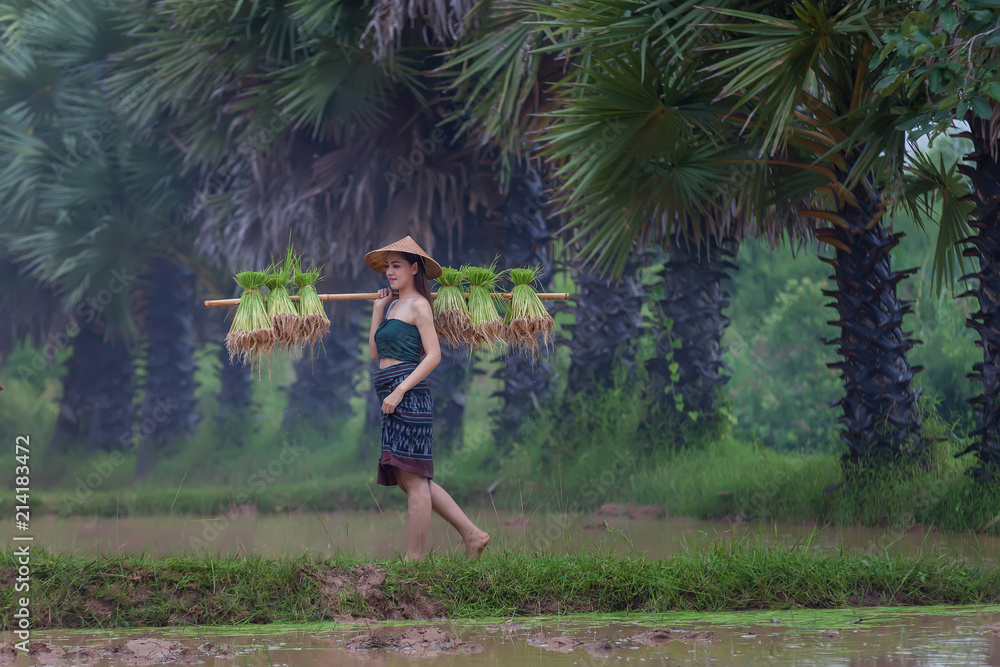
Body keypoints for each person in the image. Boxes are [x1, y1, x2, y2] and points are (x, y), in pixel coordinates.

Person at [365, 236, 490, 561]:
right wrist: (378, 311)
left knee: (416, 481)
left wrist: (400, 389)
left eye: (397, 266)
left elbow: (433, 355)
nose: (390, 272)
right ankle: (472, 535)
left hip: (408, 394)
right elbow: (376, 353)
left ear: (413, 268)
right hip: (390, 391)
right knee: (411, 479)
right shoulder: (392, 305)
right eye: (387, 267)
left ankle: (414, 559)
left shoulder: (419, 304)